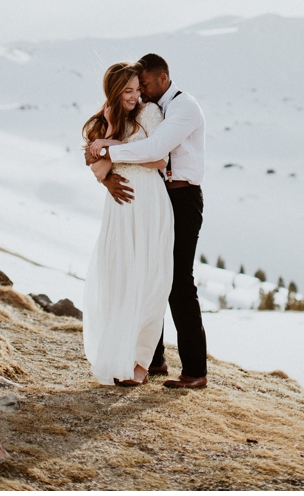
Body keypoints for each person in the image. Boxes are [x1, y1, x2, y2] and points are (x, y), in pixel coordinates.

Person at [85, 53, 209, 390]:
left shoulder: (183, 107)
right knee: (143, 272)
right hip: (155, 195)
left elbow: (156, 150)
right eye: (133, 88)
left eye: (144, 85)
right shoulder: (136, 109)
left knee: (177, 281)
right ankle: (152, 360)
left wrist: (109, 151)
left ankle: (195, 371)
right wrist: (106, 177)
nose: (141, 93)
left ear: (163, 78)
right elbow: (90, 153)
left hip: (181, 197)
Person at [81, 62, 173, 386]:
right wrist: (106, 146)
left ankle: (141, 365)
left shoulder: (150, 115)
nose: (135, 97)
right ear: (113, 93)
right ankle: (118, 356)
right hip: (121, 207)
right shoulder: (106, 117)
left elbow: (159, 159)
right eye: (127, 92)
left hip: (149, 200)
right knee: (120, 279)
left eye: (137, 89)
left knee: (149, 281)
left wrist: (113, 149)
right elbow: (92, 158)